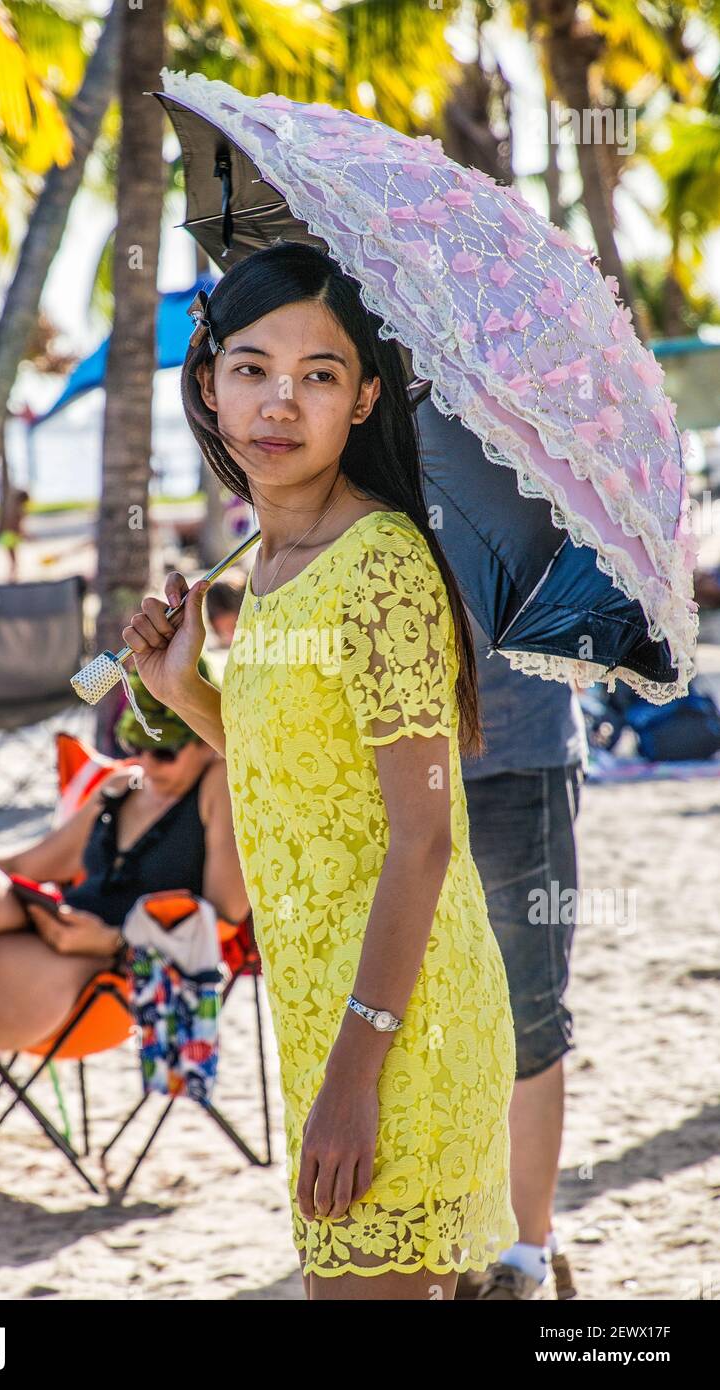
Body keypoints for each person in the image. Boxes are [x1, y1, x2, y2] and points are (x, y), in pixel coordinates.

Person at [120, 241, 519, 1301]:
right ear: (207, 384)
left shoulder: (378, 567)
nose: (278, 402)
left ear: (365, 397)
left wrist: (352, 1079)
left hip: (398, 1027)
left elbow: (420, 837)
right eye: (251, 367)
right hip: (325, 1013)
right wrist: (186, 689)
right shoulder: (268, 561)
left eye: (319, 374)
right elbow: (302, 780)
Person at [0, 672, 248, 1213]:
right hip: (49, 944)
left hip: (106, 982)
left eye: (164, 753)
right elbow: (21, 866)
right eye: (135, 747)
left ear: (203, 740)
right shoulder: (123, 788)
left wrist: (110, 940)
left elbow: (226, 917)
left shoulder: (217, 788)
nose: (147, 764)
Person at [455, 606, 588, 1300]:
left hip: (516, 760)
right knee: (443, 1024)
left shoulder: (537, 491)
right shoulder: (372, 492)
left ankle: (528, 1253)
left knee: (526, 1016)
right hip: (393, 767)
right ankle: (491, 1236)